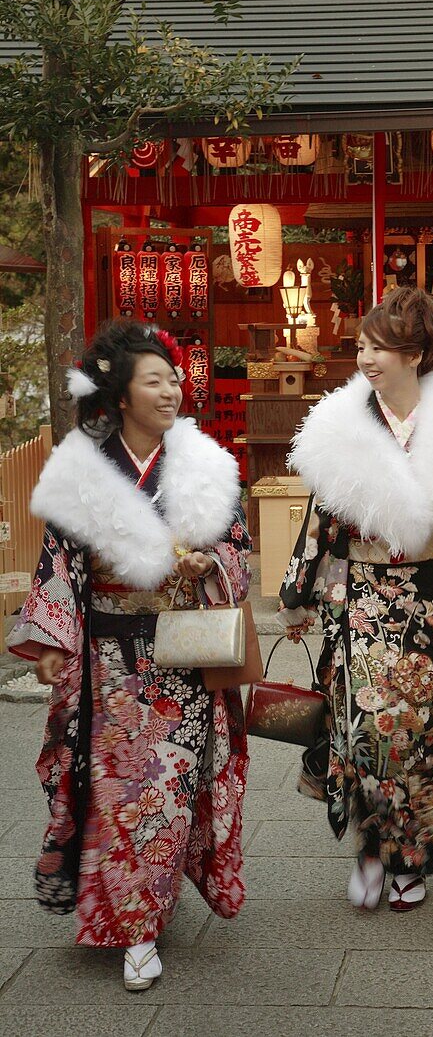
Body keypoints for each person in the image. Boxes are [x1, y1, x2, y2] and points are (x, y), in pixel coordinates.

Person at [8, 321, 251, 990]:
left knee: (167, 794)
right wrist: (53, 641)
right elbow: (58, 556)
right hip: (109, 660)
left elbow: (237, 543)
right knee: (119, 794)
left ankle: (143, 920)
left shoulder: (201, 462)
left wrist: (212, 561)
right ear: (120, 395)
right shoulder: (84, 470)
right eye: (155, 380)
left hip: (181, 656)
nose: (171, 390)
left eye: (173, 378)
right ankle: (135, 926)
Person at [278, 286, 433, 912]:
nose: (365, 359)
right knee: (367, 730)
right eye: (361, 347)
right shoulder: (341, 428)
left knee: (426, 734)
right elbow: (322, 522)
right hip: (364, 598)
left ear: (415, 353)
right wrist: (299, 594)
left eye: (380, 348)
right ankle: (371, 843)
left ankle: (410, 856)